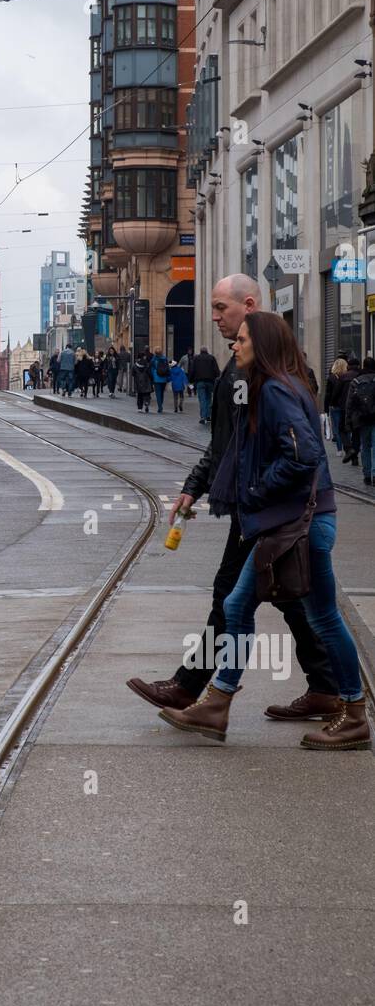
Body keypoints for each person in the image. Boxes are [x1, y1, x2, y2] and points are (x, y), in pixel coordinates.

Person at [127, 274, 338, 723]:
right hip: (257, 506)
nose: (216, 319)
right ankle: (327, 686)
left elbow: (280, 448)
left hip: (265, 509)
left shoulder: (269, 372)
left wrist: (253, 491)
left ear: (249, 305)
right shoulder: (242, 368)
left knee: (235, 599)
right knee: (287, 598)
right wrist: (194, 485)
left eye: (222, 309)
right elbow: (225, 443)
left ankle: (193, 688)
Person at [159, 311, 368, 750]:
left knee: (321, 618)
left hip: (299, 524)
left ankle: (353, 712)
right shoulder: (271, 386)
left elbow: (304, 455)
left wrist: (254, 490)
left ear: (264, 344)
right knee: (240, 607)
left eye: (242, 339)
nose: (234, 345)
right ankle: (218, 702)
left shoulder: (275, 390)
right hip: (291, 522)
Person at [346, 355, 375, 485]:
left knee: (365, 446)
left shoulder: (356, 382)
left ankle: (367, 475)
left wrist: (348, 420)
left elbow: (349, 403)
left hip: (362, 419)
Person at [336, 354, 362, 465]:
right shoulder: (361, 376)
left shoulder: (343, 377)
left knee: (342, 429)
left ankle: (348, 448)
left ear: (348, 366)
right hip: (358, 409)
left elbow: (336, 393)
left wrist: (333, 403)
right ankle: (355, 457)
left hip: (344, 407)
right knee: (356, 432)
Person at [324, 357, 348, 453]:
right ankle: (347, 447)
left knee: (336, 428)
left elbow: (328, 394)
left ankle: (339, 449)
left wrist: (326, 408)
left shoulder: (331, 378)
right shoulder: (348, 377)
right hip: (345, 406)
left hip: (334, 406)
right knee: (346, 427)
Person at [191, 345, 220, 424]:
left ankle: (203, 417)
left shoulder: (196, 358)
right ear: (207, 351)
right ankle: (208, 416)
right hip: (210, 382)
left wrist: (191, 381)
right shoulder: (211, 358)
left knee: (202, 399)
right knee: (209, 399)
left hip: (200, 382)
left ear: (200, 351)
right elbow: (216, 370)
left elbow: (192, 370)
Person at [150, 349, 171, 414]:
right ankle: (161, 404)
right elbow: (168, 368)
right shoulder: (165, 359)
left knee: (158, 393)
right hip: (164, 378)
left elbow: (151, 369)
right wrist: (167, 377)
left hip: (156, 379)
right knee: (162, 393)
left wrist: (152, 377)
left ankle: (160, 407)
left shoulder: (154, 360)